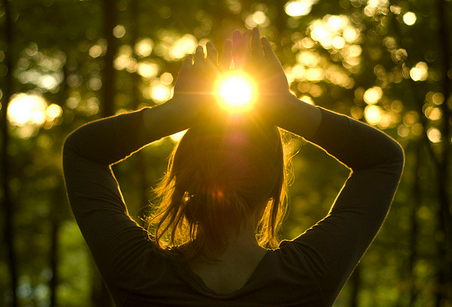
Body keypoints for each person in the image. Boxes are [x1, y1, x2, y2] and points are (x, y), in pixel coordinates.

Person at [63, 28, 404, 307]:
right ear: (274, 186)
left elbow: (83, 151)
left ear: (182, 178)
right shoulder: (307, 276)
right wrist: (286, 107)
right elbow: (382, 158)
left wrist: (175, 112)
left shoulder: (137, 273)